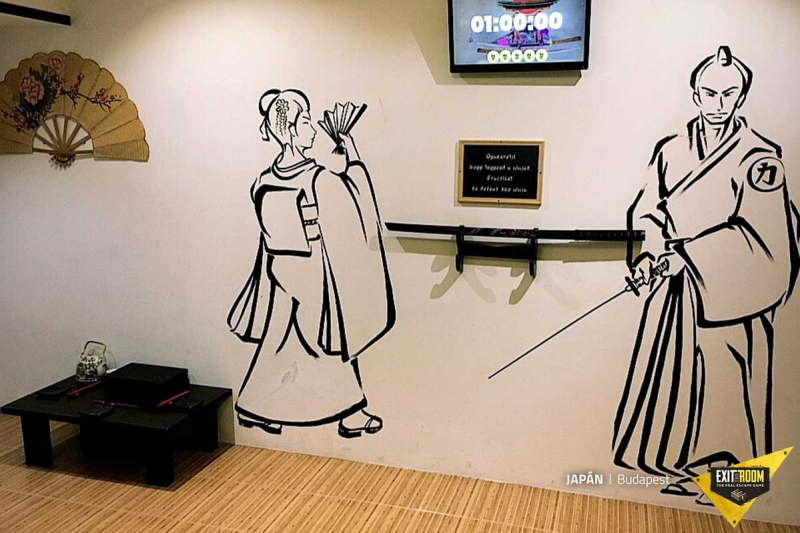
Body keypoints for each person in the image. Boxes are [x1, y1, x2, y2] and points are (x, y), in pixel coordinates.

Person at [612, 46, 800, 504]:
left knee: (730, 380)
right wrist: (649, 257)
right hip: (679, 288)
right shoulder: (671, 150)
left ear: (742, 97)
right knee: (684, 379)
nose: (719, 103)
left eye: (729, 94)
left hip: (733, 289)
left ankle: (737, 483)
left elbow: (763, 233)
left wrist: (690, 255)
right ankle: (690, 467)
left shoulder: (760, 157)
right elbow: (648, 211)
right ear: (695, 94)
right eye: (710, 93)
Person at [228, 89, 395, 438]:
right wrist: (352, 161)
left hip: (280, 270)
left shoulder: (263, 180)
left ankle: (259, 408)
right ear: (290, 130)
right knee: (330, 340)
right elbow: (358, 209)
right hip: (315, 272)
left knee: (278, 341)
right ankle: (350, 413)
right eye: (305, 121)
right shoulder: (318, 178)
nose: (313, 128)